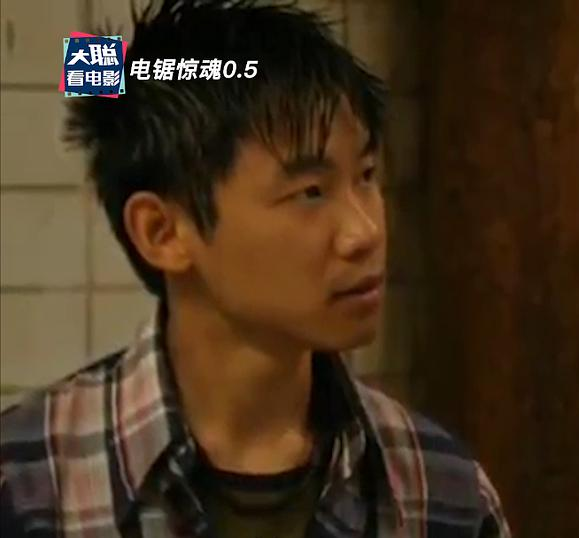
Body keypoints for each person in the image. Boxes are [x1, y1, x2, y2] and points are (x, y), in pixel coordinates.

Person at [0, 2, 510, 536]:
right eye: (310, 192)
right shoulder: (29, 489)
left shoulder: (441, 493)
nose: (365, 233)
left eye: (365, 175)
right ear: (162, 232)